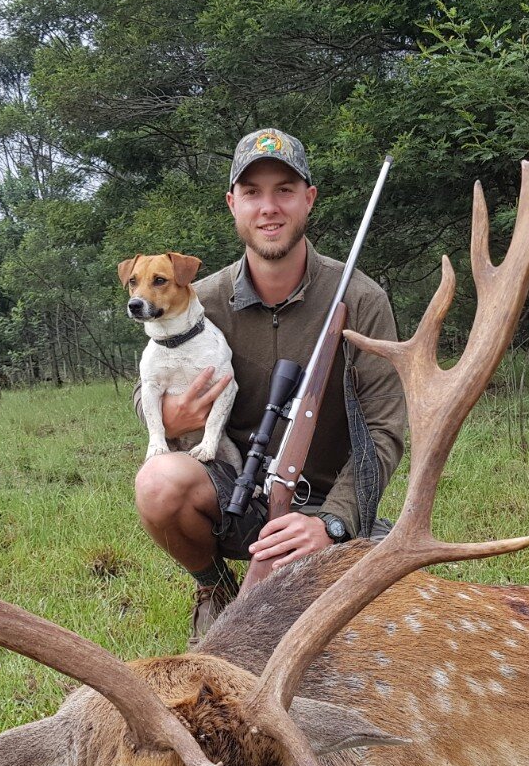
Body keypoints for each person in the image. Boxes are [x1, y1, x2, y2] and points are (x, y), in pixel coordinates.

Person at [133, 127, 407, 643]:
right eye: (253, 193)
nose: (269, 208)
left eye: (284, 190)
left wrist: (331, 523)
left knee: (389, 633)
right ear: (233, 204)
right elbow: (148, 385)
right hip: (237, 496)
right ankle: (215, 588)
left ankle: (339, 550)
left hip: (331, 509)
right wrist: (170, 418)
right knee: (158, 483)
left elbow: (385, 428)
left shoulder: (362, 299)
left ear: (309, 199)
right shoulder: (199, 299)